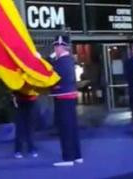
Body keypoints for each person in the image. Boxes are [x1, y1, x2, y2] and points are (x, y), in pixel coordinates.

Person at [49, 34, 82, 167]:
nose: (55, 49)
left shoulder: (61, 61)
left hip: (63, 97)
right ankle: (77, 155)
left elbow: (52, 75)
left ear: (62, 47)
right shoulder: (68, 60)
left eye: (56, 46)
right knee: (72, 127)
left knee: (65, 128)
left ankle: (68, 157)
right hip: (69, 96)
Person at [12, 91, 38, 159]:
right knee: (20, 126)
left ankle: (31, 148)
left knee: (30, 126)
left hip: (31, 99)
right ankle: (18, 150)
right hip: (19, 99)